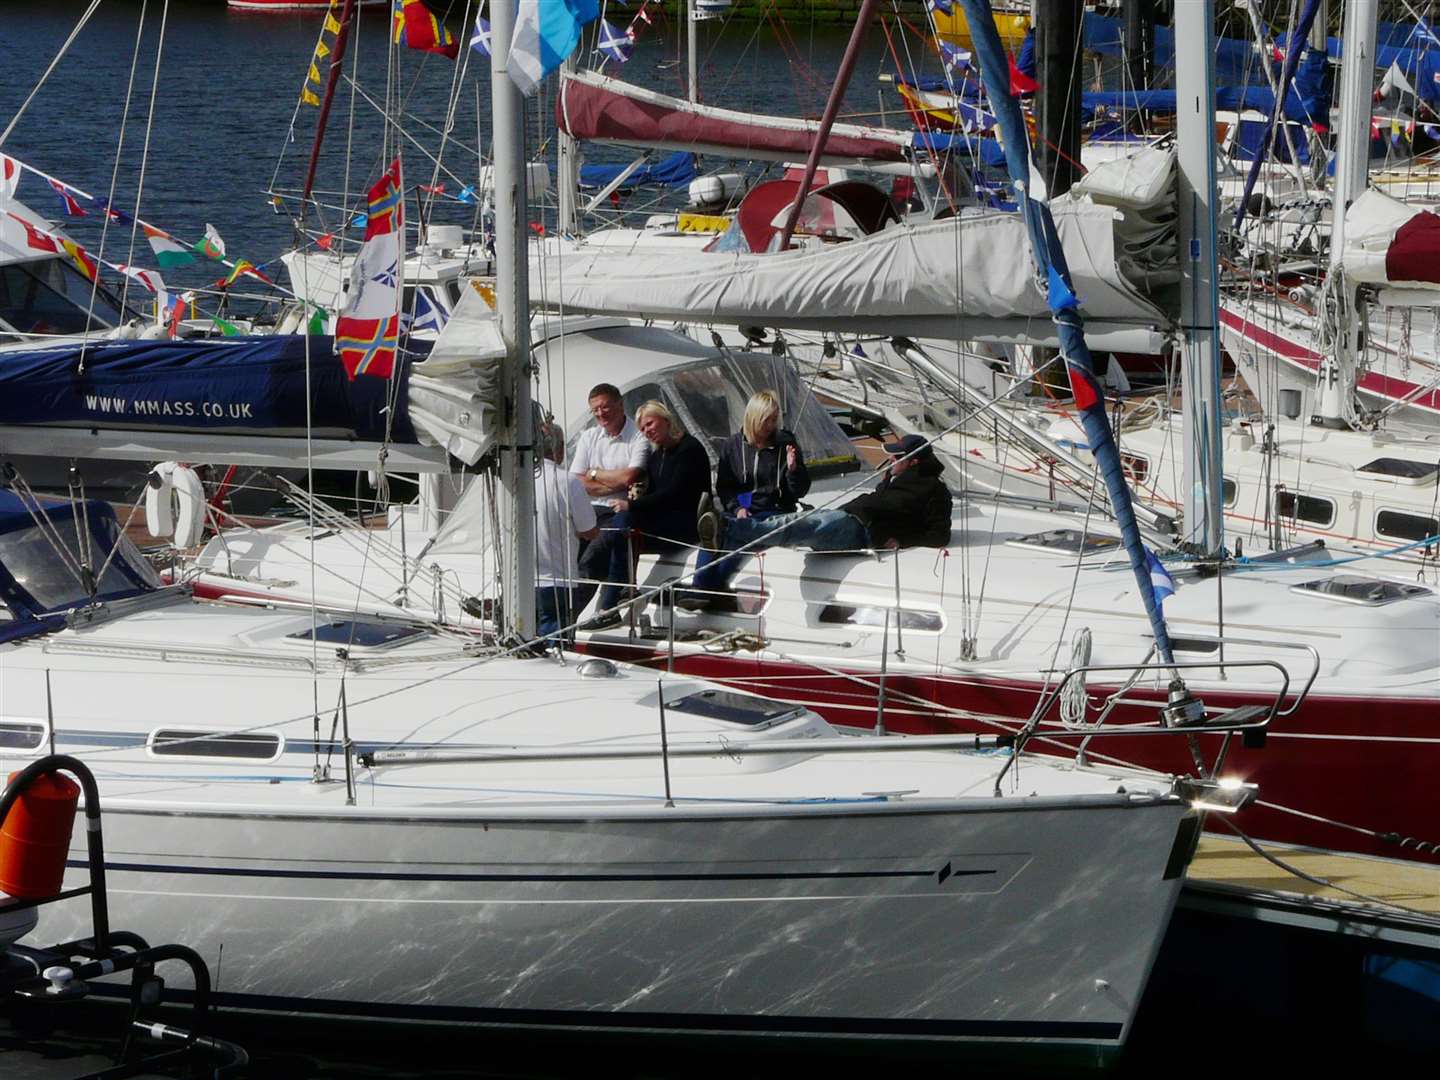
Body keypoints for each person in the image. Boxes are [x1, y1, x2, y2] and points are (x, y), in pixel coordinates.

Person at [697, 433, 952, 559]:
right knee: (799, 523)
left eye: (896, 457)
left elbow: (939, 533)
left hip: (863, 529)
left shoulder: (933, 490)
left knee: (797, 525)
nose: (889, 459)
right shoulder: (736, 447)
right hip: (847, 515)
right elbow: (738, 488)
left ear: (914, 462)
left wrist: (901, 540)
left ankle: (726, 528)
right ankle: (725, 529)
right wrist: (739, 505)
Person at [584, 400, 712, 629]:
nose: (647, 431)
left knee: (623, 522)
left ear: (665, 419)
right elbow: (653, 492)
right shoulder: (658, 455)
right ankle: (615, 599)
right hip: (664, 520)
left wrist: (632, 506)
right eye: (642, 429)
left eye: (650, 424)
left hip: (684, 525)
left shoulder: (689, 450)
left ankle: (613, 600)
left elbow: (675, 494)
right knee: (620, 526)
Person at [688, 389, 809, 604]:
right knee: (718, 529)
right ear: (754, 419)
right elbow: (726, 486)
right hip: (744, 509)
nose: (771, 426)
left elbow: (798, 491)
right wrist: (738, 507)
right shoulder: (732, 446)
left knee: (737, 536)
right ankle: (703, 588)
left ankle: (704, 589)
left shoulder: (785, 443)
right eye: (766, 420)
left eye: (774, 420)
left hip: (774, 510)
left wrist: (793, 470)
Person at [569, 382, 649, 615]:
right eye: (595, 410)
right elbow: (575, 480)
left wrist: (594, 474)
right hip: (586, 508)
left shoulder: (638, 438)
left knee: (589, 561)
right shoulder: (589, 437)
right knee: (557, 553)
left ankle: (566, 621)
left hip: (615, 511)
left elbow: (629, 477)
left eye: (605, 407)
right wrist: (609, 483)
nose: (600, 414)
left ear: (620, 405)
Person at [534, 420, 597, 646]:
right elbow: (589, 531)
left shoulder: (514, 479)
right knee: (555, 652)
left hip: (520, 584)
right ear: (559, 449)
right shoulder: (567, 481)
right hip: (557, 582)